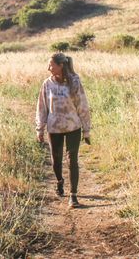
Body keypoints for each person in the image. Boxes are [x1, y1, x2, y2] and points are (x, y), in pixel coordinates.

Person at [36, 52, 91, 208]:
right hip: (54, 128)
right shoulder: (47, 84)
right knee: (56, 160)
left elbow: (82, 105)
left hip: (73, 126)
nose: (48, 68)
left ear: (60, 66)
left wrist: (86, 130)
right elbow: (42, 107)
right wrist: (39, 129)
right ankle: (60, 181)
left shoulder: (74, 81)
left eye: (51, 65)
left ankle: (73, 196)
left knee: (72, 159)